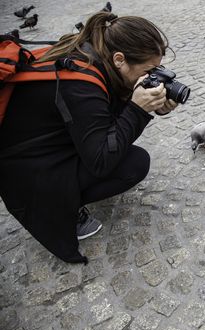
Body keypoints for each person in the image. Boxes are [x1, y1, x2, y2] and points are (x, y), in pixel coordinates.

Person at [0, 12, 178, 263]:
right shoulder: (81, 84)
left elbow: (105, 117)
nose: (150, 77)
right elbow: (101, 160)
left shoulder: (93, 53)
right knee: (134, 164)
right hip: (25, 170)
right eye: (148, 71)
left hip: (46, 144)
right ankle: (60, 210)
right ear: (119, 59)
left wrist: (148, 105)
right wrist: (138, 110)